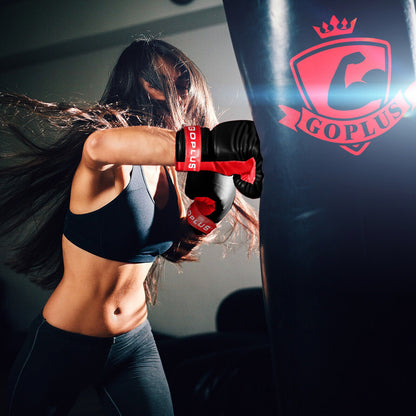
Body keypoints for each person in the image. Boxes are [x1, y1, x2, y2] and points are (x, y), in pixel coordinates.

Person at [0, 38, 261, 415]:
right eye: (178, 81)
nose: (186, 92)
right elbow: (101, 145)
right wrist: (214, 145)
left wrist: (203, 218)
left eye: (189, 81)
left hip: (133, 344)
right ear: (148, 86)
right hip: (64, 342)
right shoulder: (107, 153)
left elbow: (171, 249)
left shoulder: (171, 171)